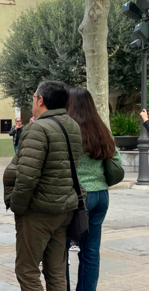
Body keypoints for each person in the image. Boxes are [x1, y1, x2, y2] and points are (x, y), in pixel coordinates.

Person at [3, 81, 83, 291]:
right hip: (64, 208)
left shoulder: (37, 128)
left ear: (41, 100)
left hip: (39, 212)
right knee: (56, 271)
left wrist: (17, 206)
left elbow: (28, 176)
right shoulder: (73, 125)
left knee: (27, 270)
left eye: (34, 96)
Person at [67, 87, 122, 291]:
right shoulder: (101, 129)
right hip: (100, 195)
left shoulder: (68, 130)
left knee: (61, 250)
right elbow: (116, 160)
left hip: (76, 196)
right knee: (90, 251)